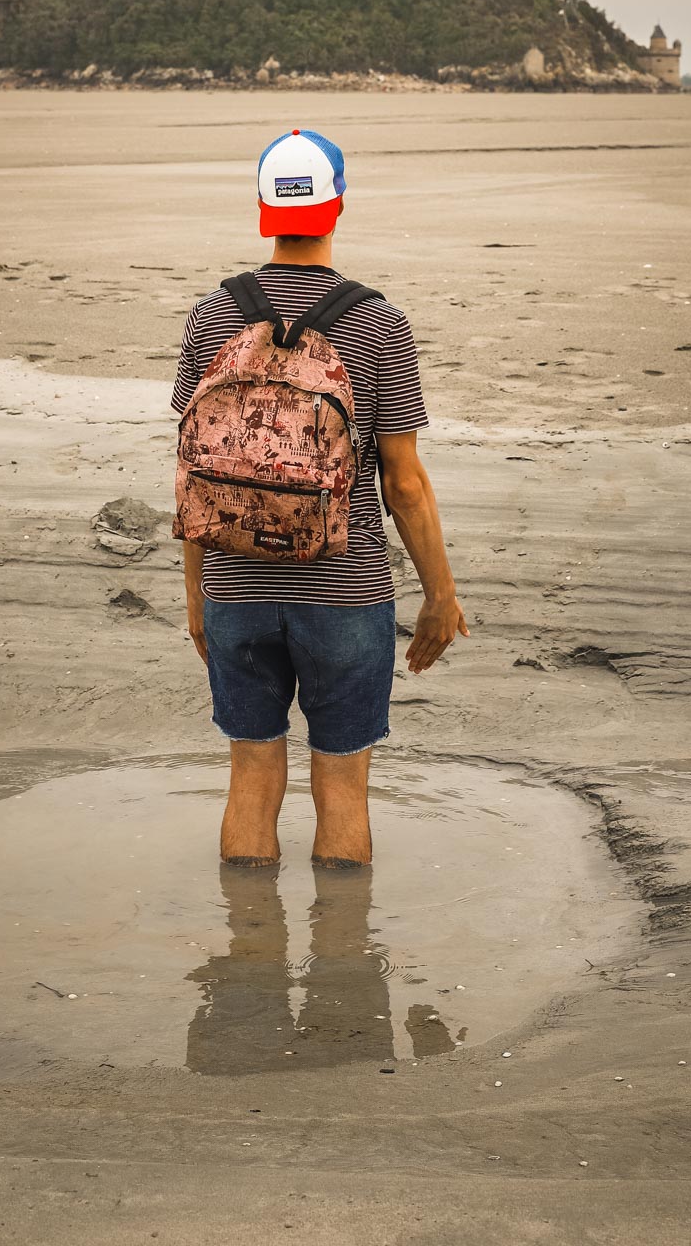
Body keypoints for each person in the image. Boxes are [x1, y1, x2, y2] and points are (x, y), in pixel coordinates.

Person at [171, 127, 468, 868]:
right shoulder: (378, 323)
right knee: (341, 785)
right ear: (338, 206)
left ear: (262, 209)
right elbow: (403, 481)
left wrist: (198, 596)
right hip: (346, 590)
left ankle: (248, 958)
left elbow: (196, 470)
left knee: (250, 777)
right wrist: (441, 593)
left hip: (235, 586)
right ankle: (343, 964)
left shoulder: (212, 316)